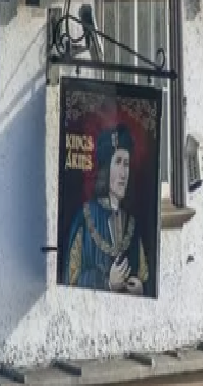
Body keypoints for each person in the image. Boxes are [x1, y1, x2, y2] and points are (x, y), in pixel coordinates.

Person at [64, 123, 150, 296]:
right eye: (117, 162)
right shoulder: (84, 217)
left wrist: (141, 288)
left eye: (126, 164)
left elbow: (145, 276)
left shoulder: (132, 224)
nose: (123, 173)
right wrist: (107, 283)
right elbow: (71, 280)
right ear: (105, 169)